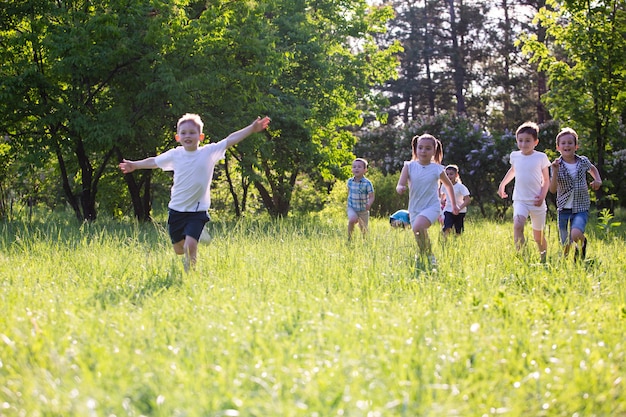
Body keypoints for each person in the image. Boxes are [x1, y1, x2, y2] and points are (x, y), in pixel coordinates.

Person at [119, 114, 271, 271]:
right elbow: (154, 161)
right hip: (177, 210)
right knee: (179, 249)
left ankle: (190, 274)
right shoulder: (175, 155)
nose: (188, 136)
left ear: (201, 136)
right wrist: (134, 165)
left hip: (197, 210)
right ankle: (197, 237)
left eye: (192, 132)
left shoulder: (208, 152)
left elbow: (230, 140)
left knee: (190, 246)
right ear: (177, 137)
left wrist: (252, 129)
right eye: (183, 133)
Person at [396, 134, 458, 267]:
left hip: (432, 207)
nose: (423, 151)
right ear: (416, 149)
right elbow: (400, 183)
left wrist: (453, 205)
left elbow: (449, 186)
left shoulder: (437, 169)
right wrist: (400, 187)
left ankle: (429, 257)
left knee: (418, 227)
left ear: (434, 151)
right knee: (417, 232)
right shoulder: (409, 166)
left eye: (428, 148)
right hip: (414, 208)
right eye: (420, 148)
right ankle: (426, 256)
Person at [498, 121, 550, 262]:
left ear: (535, 142)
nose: (523, 144)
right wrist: (502, 185)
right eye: (520, 140)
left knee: (538, 236)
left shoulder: (541, 157)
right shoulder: (515, 156)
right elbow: (513, 170)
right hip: (520, 200)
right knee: (518, 225)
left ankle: (543, 259)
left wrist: (542, 196)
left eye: (527, 141)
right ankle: (522, 257)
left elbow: (546, 180)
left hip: (537, 202)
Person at [549, 127, 602, 260]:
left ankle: (582, 243)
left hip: (581, 207)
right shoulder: (555, 166)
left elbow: (592, 169)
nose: (567, 145)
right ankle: (574, 260)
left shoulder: (582, 161)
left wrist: (597, 179)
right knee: (566, 244)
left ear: (576, 146)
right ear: (558, 147)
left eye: (570, 143)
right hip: (563, 208)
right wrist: (555, 171)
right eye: (563, 143)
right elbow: (553, 189)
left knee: (576, 233)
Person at [439, 164, 471, 236]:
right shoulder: (444, 185)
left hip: (460, 211)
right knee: (447, 226)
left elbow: (467, 200)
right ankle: (444, 243)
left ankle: (457, 243)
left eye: (451, 174)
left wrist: (459, 208)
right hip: (448, 209)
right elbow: (443, 194)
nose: (449, 176)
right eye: (446, 174)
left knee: (458, 230)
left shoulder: (460, 187)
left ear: (456, 175)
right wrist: (442, 200)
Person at [347, 158, 375, 239]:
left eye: (359, 167)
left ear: (365, 170)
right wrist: (348, 204)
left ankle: (365, 242)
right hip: (352, 207)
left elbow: (372, 196)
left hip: (363, 209)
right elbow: (349, 192)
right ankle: (349, 238)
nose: (356, 168)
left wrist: (369, 203)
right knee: (352, 219)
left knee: (364, 229)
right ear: (352, 169)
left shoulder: (367, 183)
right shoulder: (350, 181)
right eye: (354, 167)